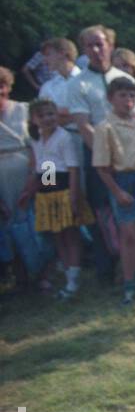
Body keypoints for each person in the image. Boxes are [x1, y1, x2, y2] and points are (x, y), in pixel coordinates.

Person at [67, 24, 134, 284]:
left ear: (111, 45)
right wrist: (107, 156)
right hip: (97, 153)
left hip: (129, 151)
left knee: (130, 208)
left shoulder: (124, 78)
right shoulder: (78, 84)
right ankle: (107, 268)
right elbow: (83, 125)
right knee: (101, 209)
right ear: (83, 50)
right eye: (90, 45)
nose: (96, 49)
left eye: (100, 43)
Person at [92, 77, 135, 303]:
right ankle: (128, 281)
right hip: (123, 179)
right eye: (122, 95)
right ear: (111, 99)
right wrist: (117, 191)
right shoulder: (105, 127)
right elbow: (101, 166)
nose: (128, 101)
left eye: (131, 95)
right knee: (128, 233)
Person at [26, 98, 93, 299]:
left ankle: (74, 278)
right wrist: (29, 191)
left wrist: (73, 196)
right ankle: (67, 276)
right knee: (57, 236)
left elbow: (73, 169)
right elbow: (38, 168)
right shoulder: (36, 139)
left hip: (64, 189)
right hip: (47, 192)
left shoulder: (64, 137)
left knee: (70, 234)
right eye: (42, 115)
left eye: (51, 114)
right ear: (33, 119)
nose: (47, 119)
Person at [0, 67, 46, 290]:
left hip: (29, 169)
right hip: (2, 180)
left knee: (35, 220)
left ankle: (44, 273)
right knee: (9, 224)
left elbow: (40, 145)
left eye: (2, 86)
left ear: (8, 87)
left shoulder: (24, 110)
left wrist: (36, 180)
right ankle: (20, 277)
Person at [37, 38, 80, 127]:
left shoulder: (87, 81)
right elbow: (42, 117)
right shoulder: (47, 87)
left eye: (48, 55)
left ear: (62, 53)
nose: (44, 60)